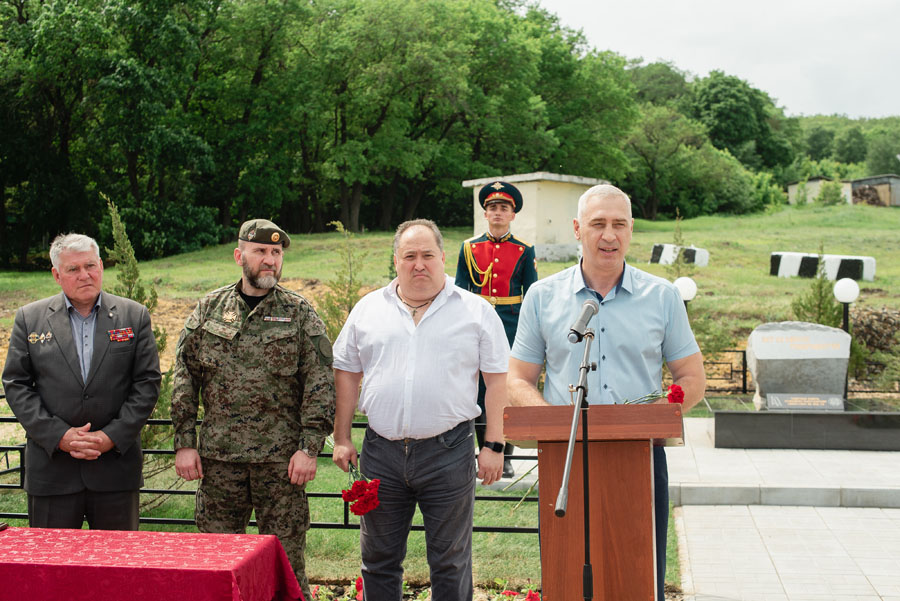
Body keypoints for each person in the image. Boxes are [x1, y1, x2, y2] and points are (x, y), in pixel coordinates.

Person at [507, 184, 706, 601]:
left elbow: (691, 377)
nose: (609, 235)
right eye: (598, 224)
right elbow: (518, 379)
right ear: (578, 229)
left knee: (635, 576)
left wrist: (660, 413)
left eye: (619, 224)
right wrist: (556, 424)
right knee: (565, 575)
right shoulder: (543, 297)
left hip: (640, 459)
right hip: (564, 459)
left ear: (631, 230)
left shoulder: (662, 296)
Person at [331, 219, 508, 601]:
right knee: (378, 558)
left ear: (443, 258)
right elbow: (346, 372)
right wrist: (343, 438)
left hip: (448, 452)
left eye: (428, 255)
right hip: (381, 452)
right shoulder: (368, 309)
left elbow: (497, 381)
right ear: (396, 261)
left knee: (450, 560)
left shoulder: (475, 311)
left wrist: (493, 444)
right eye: (409, 255)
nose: (419, 264)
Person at [171, 219, 335, 599]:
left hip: (281, 467)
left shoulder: (299, 314)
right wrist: (184, 442)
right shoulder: (208, 309)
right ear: (239, 255)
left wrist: (310, 447)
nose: (269, 260)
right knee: (216, 564)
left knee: (286, 567)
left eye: (276, 253)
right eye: (260, 251)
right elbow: (185, 375)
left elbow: (320, 383)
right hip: (219, 462)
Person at [2, 233, 161, 530]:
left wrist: (110, 437)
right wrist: (59, 436)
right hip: (52, 471)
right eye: (73, 269)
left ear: (101, 265)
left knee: (116, 569)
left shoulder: (133, 316)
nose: (84, 275)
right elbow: (16, 384)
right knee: (52, 571)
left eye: (90, 265)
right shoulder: (30, 318)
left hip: (115, 469)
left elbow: (147, 383)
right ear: (56, 274)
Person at [455, 181, 537, 479]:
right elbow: (459, 291)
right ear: (485, 213)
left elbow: (533, 295)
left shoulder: (524, 250)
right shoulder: (469, 248)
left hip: (510, 325)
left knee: (507, 389)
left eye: (504, 208)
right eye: (493, 208)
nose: (498, 213)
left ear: (512, 214)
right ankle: (481, 450)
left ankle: (506, 454)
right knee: (478, 390)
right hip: (475, 325)